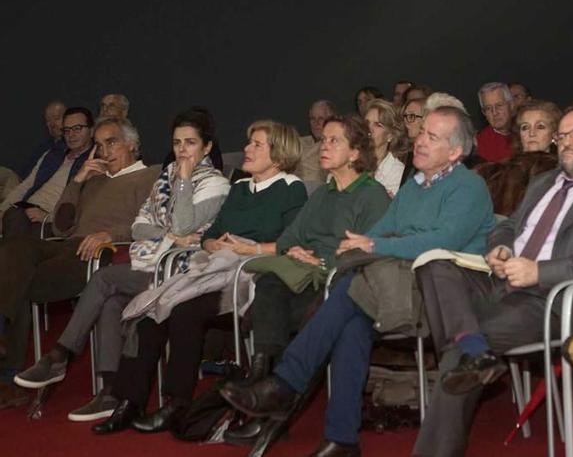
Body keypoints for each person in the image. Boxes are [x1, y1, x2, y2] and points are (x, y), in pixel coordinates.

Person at [219, 105, 497, 457]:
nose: (420, 141)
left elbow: (441, 242)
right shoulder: (413, 188)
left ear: (455, 152)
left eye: (432, 136)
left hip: (445, 298)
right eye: (421, 132)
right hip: (396, 289)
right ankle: (342, 438)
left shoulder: (468, 186)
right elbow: (370, 237)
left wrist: (373, 245)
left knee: (352, 290)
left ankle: (286, 383)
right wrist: (357, 247)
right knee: (353, 319)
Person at [413, 100, 573, 456]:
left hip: (556, 300)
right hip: (503, 282)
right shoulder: (543, 183)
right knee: (433, 263)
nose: (565, 142)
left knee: (460, 347)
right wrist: (502, 247)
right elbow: (506, 225)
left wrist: (540, 271)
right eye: (562, 135)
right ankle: (476, 347)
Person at [12, 108, 230, 421]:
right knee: (112, 301)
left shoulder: (215, 184)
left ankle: (60, 355)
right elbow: (141, 224)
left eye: (191, 143)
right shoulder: (166, 178)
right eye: (177, 142)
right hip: (153, 262)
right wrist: (168, 231)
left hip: (185, 269)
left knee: (104, 279)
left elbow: (182, 227)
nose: (182, 150)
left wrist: (181, 189)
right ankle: (111, 391)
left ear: (206, 147)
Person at [91, 120, 307, 435]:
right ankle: (129, 401)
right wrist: (212, 243)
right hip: (214, 266)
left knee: (183, 311)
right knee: (154, 309)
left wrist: (250, 248)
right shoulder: (241, 188)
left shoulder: (291, 188)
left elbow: (292, 244)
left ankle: (176, 403)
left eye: (256, 145)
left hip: (250, 276)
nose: (246, 149)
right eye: (249, 143)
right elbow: (212, 235)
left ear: (279, 153)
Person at [225, 115, 390, 444]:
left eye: (334, 141)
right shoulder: (322, 194)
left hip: (340, 283)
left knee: (294, 307)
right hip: (306, 277)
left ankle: (269, 400)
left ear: (356, 153)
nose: (323, 146)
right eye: (323, 140)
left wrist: (323, 258)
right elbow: (289, 238)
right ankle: (263, 376)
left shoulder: (373, 196)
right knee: (271, 282)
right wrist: (298, 251)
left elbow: (368, 252)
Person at [0, 117, 159, 408]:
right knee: (14, 249)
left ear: (132, 144)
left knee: (18, 281)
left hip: (102, 252)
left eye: (111, 142)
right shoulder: (94, 179)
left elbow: (150, 225)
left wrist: (110, 233)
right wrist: (78, 180)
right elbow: (61, 226)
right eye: (99, 146)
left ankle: (9, 377)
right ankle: (6, 341)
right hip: (66, 245)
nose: (105, 151)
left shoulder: (150, 176)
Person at [1, 107, 94, 238]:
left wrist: (50, 217)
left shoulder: (93, 163)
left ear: (91, 131)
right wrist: (1, 210)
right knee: (13, 216)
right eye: (67, 130)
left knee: (22, 235)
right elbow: (27, 185)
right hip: (23, 210)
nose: (71, 135)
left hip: (50, 219)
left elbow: (86, 206)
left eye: (77, 128)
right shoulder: (52, 154)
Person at [475, 99, 560, 215]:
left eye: (540, 127)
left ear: (554, 134)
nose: (531, 133)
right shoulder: (495, 173)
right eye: (525, 127)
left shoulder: (562, 171)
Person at [365, 99, 411, 196]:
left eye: (377, 125)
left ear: (390, 135)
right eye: (367, 122)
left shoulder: (398, 173)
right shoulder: (350, 163)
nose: (369, 129)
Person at [17, 100, 67, 178]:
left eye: (56, 118)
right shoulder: (44, 145)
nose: (52, 124)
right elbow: (25, 169)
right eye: (48, 121)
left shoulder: (72, 144)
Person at [296, 100, 337, 183]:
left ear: (331, 120)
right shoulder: (298, 142)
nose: (316, 123)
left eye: (321, 118)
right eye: (312, 119)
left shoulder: (335, 146)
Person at [476, 82, 516, 162]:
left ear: (511, 105)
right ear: (484, 113)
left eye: (499, 105)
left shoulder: (526, 132)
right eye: (488, 108)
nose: (494, 113)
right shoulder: (479, 144)